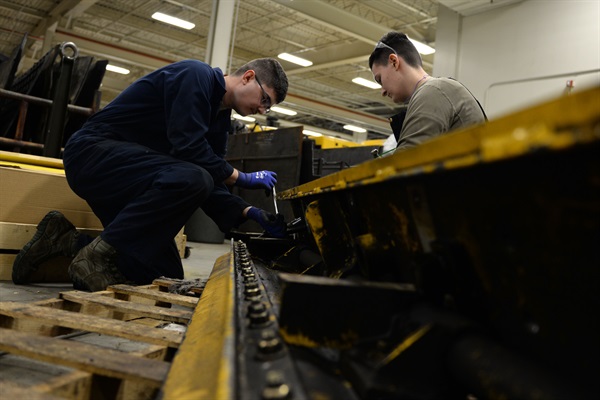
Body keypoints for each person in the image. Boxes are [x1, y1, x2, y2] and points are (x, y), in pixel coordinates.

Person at [12, 58, 289, 291]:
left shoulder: (218, 120)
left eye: (269, 107)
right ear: (248, 77)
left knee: (160, 273)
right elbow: (190, 148)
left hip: (134, 173)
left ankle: (63, 240)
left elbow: (210, 169)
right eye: (265, 99)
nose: (263, 110)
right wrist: (242, 177)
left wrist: (248, 211)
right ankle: (93, 258)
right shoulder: (197, 76)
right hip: (93, 154)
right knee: (193, 178)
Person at [369, 32, 487, 154]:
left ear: (394, 61)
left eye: (380, 80)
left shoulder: (433, 91)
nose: (382, 91)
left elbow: (406, 162)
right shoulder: (437, 90)